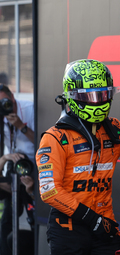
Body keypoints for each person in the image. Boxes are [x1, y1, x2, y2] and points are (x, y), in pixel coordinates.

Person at [35, 59, 120, 255]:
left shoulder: (114, 130)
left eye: (103, 95)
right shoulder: (55, 137)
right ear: (72, 96)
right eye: (90, 96)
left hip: (104, 226)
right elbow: (50, 191)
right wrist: (91, 218)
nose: (97, 101)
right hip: (68, 229)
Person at [0, 81, 35, 255]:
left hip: (35, 166)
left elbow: (44, 143)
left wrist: (21, 126)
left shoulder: (30, 108)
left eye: (5, 102)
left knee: (34, 215)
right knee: (7, 218)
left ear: (13, 98)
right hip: (14, 168)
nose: (4, 107)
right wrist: (5, 158)